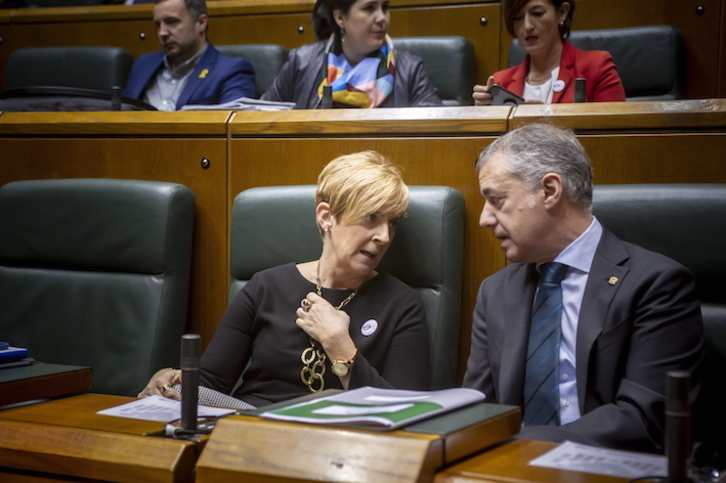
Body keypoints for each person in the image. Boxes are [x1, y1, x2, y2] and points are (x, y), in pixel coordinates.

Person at [463, 123, 703, 453]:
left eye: (497, 200)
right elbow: (481, 409)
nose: (485, 219)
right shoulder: (496, 291)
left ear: (549, 191)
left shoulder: (656, 284)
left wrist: (516, 446)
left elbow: (646, 419)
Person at [139, 150, 431, 408]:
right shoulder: (265, 286)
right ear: (327, 216)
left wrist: (339, 344)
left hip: (341, 445)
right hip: (250, 432)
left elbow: (403, 410)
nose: (384, 236)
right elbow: (211, 383)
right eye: (371, 218)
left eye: (392, 223)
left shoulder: (402, 303)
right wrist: (170, 384)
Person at [260, 0, 442, 109]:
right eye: (369, 8)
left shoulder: (410, 69)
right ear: (340, 18)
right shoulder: (302, 62)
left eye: (385, 7)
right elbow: (261, 119)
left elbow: (436, 130)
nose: (382, 18)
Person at [472, 0, 625, 105]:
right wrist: (484, 119)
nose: (527, 26)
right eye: (518, 18)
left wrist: (546, 125)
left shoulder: (596, 67)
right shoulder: (500, 82)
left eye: (537, 13)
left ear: (562, 13)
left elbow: (614, 139)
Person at [123, 0, 255, 110]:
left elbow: (234, 127)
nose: (162, 32)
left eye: (172, 22)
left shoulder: (231, 70)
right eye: (158, 25)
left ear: (201, 23)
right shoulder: (143, 65)